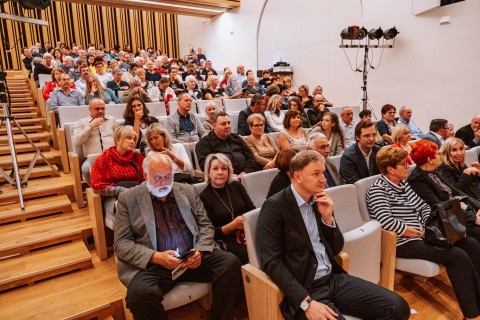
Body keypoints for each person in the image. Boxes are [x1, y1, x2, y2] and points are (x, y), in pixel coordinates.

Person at [257, 150, 410, 320]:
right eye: (316, 174)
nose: (323, 179)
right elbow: (272, 263)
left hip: (333, 279)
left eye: (322, 172)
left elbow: (337, 247)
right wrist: (306, 302)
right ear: (298, 176)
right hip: (305, 288)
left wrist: (328, 219)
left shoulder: (320, 199)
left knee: (398, 307)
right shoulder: (274, 207)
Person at [114, 152, 241, 320]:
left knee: (230, 263)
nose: (163, 183)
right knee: (139, 295)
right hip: (155, 265)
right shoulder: (128, 199)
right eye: (157, 178)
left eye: (167, 177)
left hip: (192, 257)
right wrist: (156, 257)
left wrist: (200, 251)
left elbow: (205, 225)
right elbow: (121, 243)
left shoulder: (188, 191)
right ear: (145, 176)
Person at [367, 146, 480, 320]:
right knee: (456, 255)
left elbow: (424, 207)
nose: (408, 166)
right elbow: (385, 221)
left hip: (422, 233)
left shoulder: (403, 184)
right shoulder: (378, 190)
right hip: (402, 241)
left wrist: (427, 226)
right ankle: (472, 314)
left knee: (470, 243)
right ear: (391, 169)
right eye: (404, 163)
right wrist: (411, 231)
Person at [408, 140, 480, 242]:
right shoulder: (417, 179)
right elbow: (441, 206)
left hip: (462, 212)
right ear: (429, 159)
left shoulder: (435, 171)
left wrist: (477, 208)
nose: (441, 155)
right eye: (437, 154)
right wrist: (473, 218)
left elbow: (457, 192)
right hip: (449, 220)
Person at [200, 153, 255, 265]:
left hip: (246, 232)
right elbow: (210, 233)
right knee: (250, 254)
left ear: (229, 171)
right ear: (208, 172)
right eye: (215, 168)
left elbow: (252, 211)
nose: (220, 172)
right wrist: (233, 225)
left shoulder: (237, 186)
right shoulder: (204, 197)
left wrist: (248, 233)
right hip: (225, 240)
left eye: (224, 168)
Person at [90, 127, 144, 216]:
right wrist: (120, 190)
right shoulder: (104, 159)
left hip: (137, 195)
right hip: (113, 197)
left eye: (134, 139)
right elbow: (96, 187)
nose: (132, 142)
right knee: (128, 209)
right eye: (128, 138)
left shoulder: (138, 158)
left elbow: (148, 179)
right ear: (118, 140)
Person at [72, 99, 118, 185]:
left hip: (112, 156)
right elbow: (76, 141)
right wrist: (91, 126)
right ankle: (97, 191)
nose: (100, 111)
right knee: (86, 169)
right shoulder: (81, 122)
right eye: (97, 109)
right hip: (93, 158)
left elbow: (119, 137)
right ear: (90, 109)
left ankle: (114, 190)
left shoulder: (112, 120)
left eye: (103, 108)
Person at [196, 111, 256, 177]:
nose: (227, 126)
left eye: (229, 123)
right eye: (223, 124)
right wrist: (229, 175)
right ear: (214, 126)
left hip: (246, 176)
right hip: (222, 179)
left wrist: (245, 172)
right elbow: (206, 167)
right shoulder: (204, 143)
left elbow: (251, 158)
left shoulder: (237, 138)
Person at [438, 137, 480, 202]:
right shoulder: (443, 169)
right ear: (446, 152)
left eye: (461, 149)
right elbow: (455, 193)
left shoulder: (460, 164)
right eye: (454, 150)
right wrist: (466, 173)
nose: (459, 153)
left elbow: (473, 184)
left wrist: (478, 174)